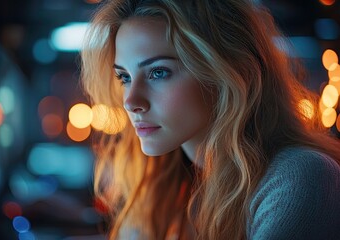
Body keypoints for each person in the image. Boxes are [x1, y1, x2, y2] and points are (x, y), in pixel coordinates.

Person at [80, 0, 340, 239]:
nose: (131, 101)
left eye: (158, 72)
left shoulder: (301, 178)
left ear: (228, 72)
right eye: (124, 77)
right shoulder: (165, 188)